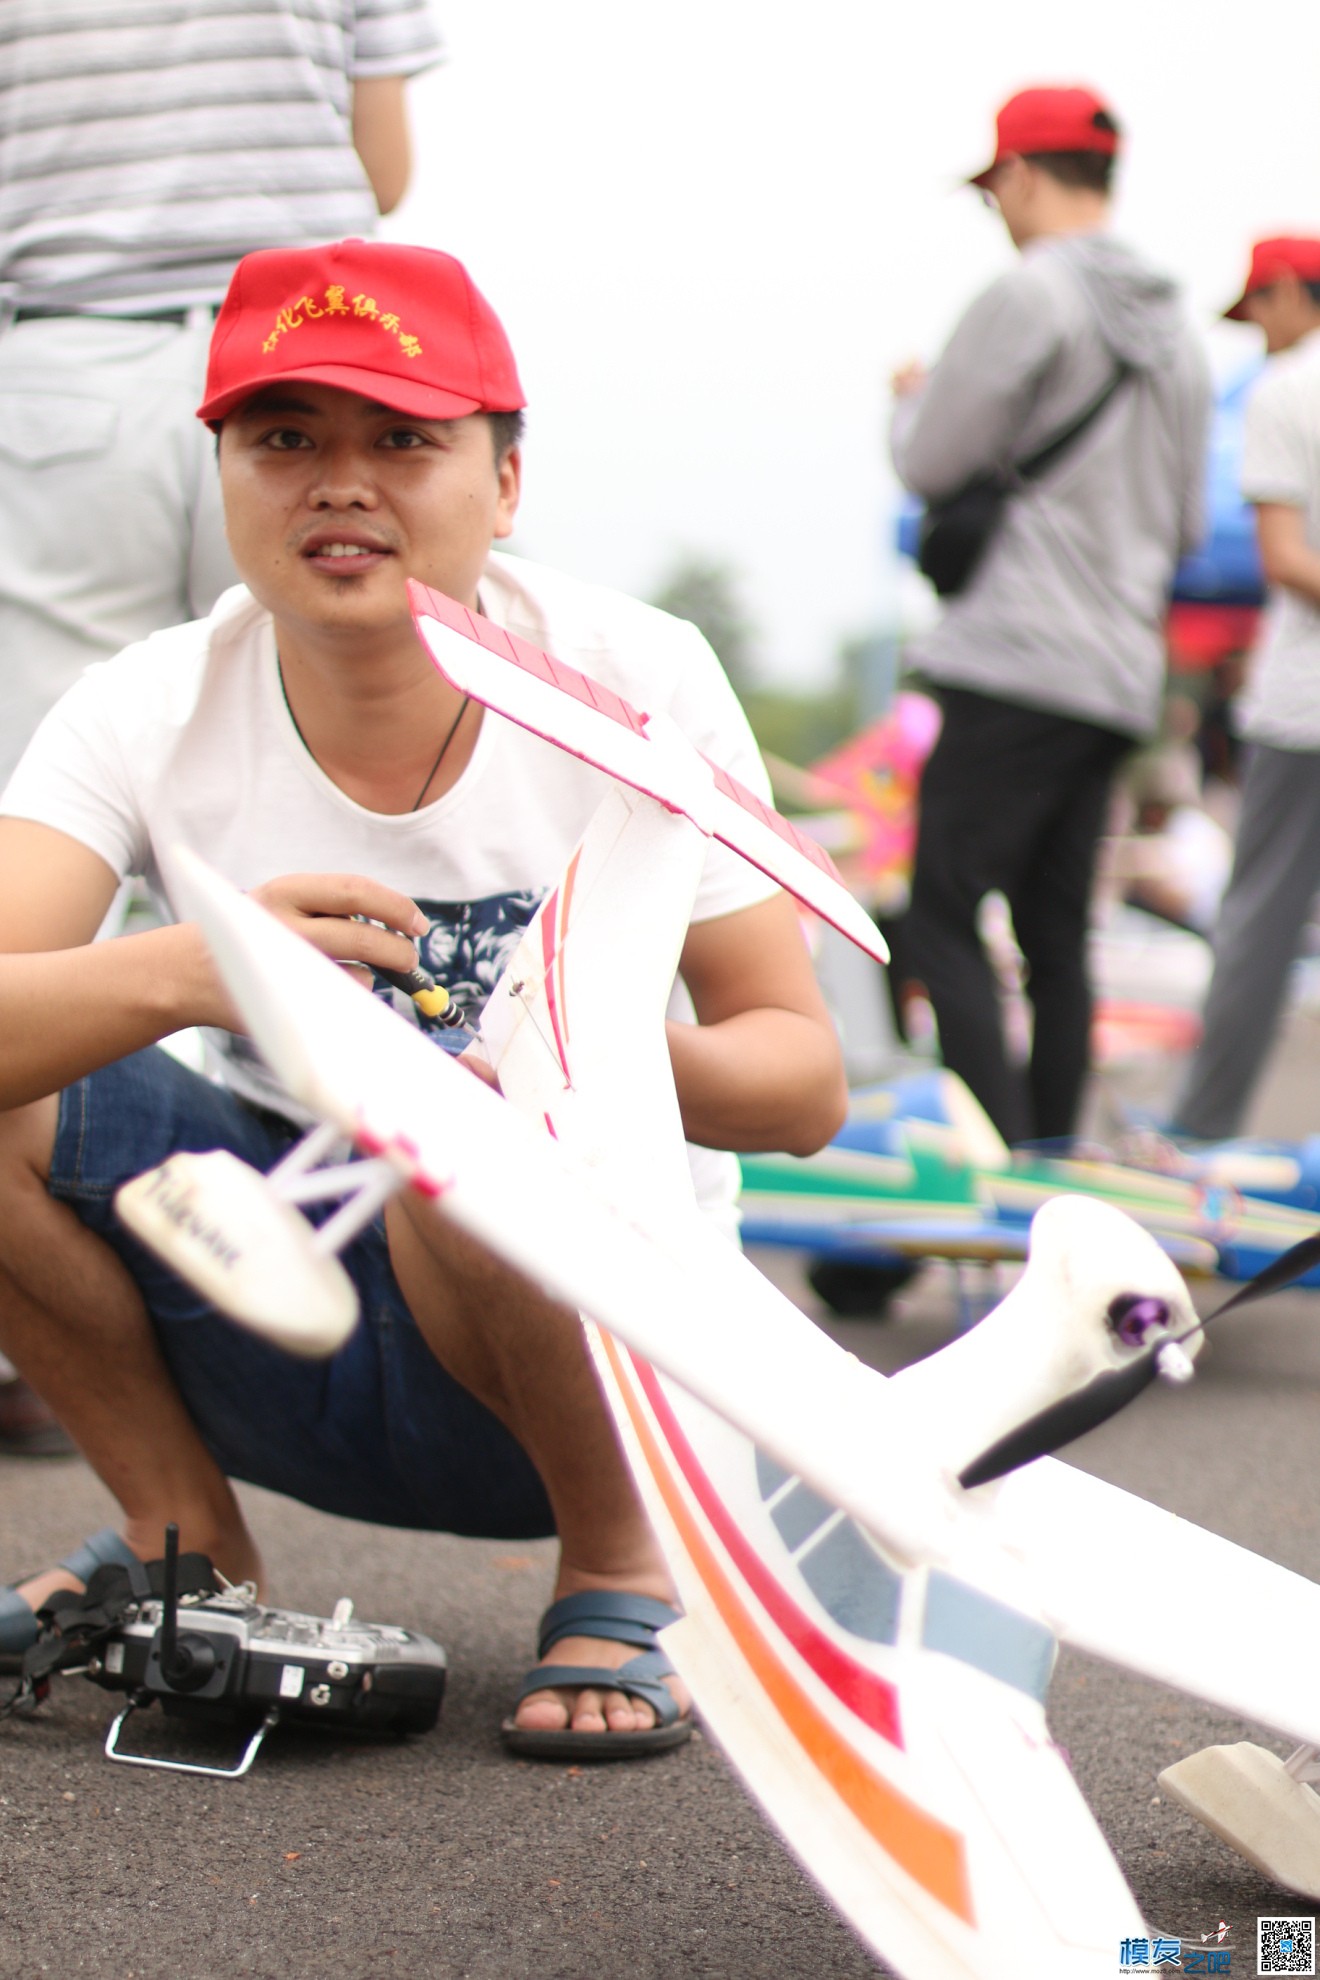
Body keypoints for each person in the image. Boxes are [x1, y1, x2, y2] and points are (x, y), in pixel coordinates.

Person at [0, 238, 848, 1755]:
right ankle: (184, 1541)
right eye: (285, 441)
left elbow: (799, 1083)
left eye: (403, 439)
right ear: (225, 480)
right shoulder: (146, 699)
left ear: (506, 484)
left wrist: (553, 1058)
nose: (342, 482)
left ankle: (617, 1567)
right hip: (276, 1299)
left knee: (460, 1119)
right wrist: (202, 968)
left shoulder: (630, 677)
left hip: (598, 1368)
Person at [0, 0, 443, 1450]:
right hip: (329, 339)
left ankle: (63, 1308)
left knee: (63, 826)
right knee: (309, 727)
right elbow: (382, 166)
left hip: (75, 361)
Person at [890, 86, 1210, 1146]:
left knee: (938, 919)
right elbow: (1181, 523)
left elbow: (931, 460)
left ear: (1020, 175)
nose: (997, 209)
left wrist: (906, 400)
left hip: (1016, 657)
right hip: (1120, 674)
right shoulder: (1179, 338)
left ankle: (1001, 1169)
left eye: (994, 190)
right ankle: (1054, 1164)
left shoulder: (1028, 297)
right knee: (1057, 939)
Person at [1170, 239, 1320, 1141]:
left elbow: (1283, 557)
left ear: (1289, 294)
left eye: (1259, 310)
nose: (1257, 332)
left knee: (1260, 921)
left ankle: (1201, 1131)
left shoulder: (1285, 390)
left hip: (1301, 705)